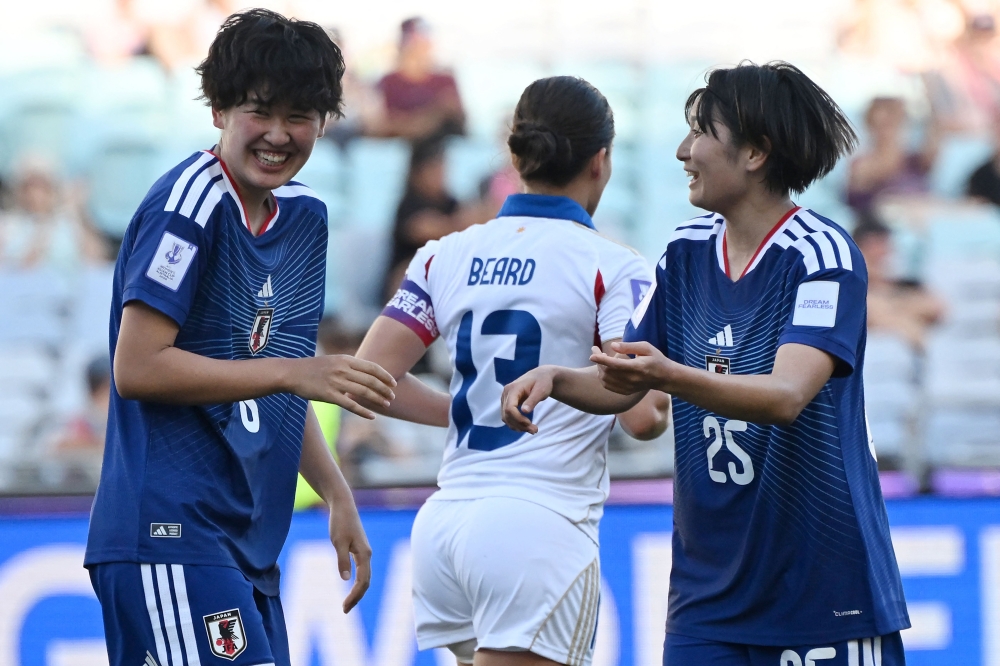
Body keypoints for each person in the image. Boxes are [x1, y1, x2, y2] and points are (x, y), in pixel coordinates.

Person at [502, 62, 910, 665]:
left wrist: (665, 374)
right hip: (705, 601)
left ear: (755, 153)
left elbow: (786, 395)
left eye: (700, 133)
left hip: (820, 591)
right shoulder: (685, 251)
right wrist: (560, 379)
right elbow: (626, 386)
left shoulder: (822, 255)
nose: (681, 151)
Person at [83, 11, 399, 666]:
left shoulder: (306, 215)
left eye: (301, 115)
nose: (279, 135)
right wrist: (291, 373)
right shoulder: (188, 205)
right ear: (219, 108)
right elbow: (138, 367)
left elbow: (282, 374)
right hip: (167, 532)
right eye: (261, 111)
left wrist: (337, 493)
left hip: (244, 539)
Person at [355, 76, 669, 666]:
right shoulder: (615, 266)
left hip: (446, 527)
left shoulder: (444, 253)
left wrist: (466, 405)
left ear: (515, 155)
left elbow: (367, 378)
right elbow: (643, 418)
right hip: (536, 527)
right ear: (601, 160)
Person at [383, 137, 463, 301]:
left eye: (442, 167)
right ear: (417, 172)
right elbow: (423, 230)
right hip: (407, 284)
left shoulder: (451, 202)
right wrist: (457, 224)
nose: (441, 174)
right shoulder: (408, 203)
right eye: (434, 168)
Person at [853, 216, 944, 351]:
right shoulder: (852, 288)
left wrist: (890, 305)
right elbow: (870, 315)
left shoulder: (906, 283)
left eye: (884, 245)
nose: (882, 253)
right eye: (872, 247)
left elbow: (937, 308)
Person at [373, 17, 465, 141]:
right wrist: (431, 115)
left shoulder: (445, 80)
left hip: (439, 151)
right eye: (415, 42)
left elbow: (461, 120)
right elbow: (381, 125)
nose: (419, 49)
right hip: (400, 152)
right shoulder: (388, 81)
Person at [846, 97, 937, 216]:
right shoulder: (862, 165)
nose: (884, 132)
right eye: (879, 125)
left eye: (891, 124)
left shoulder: (916, 160)